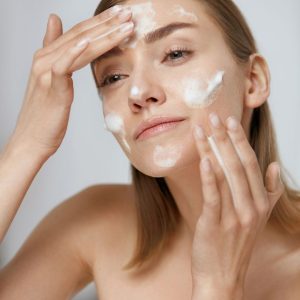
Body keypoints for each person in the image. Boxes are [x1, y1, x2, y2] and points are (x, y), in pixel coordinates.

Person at [0, 0, 300, 299]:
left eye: (175, 53)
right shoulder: (95, 223)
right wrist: (28, 144)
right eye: (113, 76)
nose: (138, 92)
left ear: (253, 80)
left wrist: (220, 285)